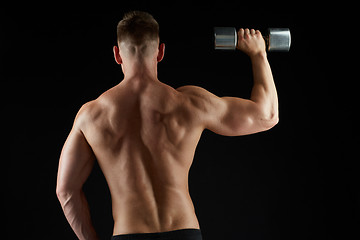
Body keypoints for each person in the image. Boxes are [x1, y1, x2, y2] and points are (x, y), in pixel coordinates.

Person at [56, 11, 279, 240]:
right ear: (161, 52)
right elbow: (267, 115)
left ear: (117, 55)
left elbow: (66, 191)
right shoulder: (190, 103)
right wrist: (258, 53)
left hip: (129, 234)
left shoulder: (91, 116)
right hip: (184, 233)